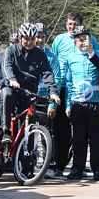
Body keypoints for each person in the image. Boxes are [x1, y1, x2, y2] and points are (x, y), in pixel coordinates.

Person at [51, 12, 99, 176]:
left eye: (75, 24)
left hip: (88, 92)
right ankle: (60, 164)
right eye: (69, 24)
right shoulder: (59, 39)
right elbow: (52, 60)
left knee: (90, 133)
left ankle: (89, 166)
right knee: (63, 129)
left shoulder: (91, 39)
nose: (72, 27)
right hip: (64, 87)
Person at [1, 23, 60, 144]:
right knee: (6, 94)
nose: (29, 42)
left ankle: (27, 157)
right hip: (14, 87)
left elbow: (47, 73)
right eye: (26, 39)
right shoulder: (11, 50)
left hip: (29, 91)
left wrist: (53, 92)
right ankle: (5, 132)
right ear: (20, 38)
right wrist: (12, 80)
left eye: (32, 39)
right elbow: (7, 66)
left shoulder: (40, 54)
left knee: (27, 124)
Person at [65, 26, 99, 181]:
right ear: (75, 41)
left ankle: (97, 168)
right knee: (78, 138)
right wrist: (67, 105)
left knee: (95, 137)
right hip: (77, 102)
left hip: (95, 102)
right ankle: (77, 168)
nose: (82, 42)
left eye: (85, 38)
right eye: (79, 39)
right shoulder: (71, 58)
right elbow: (69, 81)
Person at [34, 23, 61, 179]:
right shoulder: (27, 54)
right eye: (37, 36)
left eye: (42, 37)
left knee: (47, 132)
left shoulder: (51, 56)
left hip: (46, 98)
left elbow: (56, 80)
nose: (39, 40)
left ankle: (49, 164)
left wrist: (52, 103)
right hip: (30, 96)